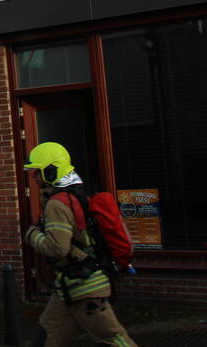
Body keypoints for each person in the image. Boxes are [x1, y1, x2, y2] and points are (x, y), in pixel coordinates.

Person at [23, 142, 137, 347]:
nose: (35, 178)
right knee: (46, 336)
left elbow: (58, 248)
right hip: (68, 285)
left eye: (37, 172)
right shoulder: (76, 194)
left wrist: (32, 235)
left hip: (84, 287)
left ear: (50, 170)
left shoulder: (57, 203)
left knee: (114, 338)